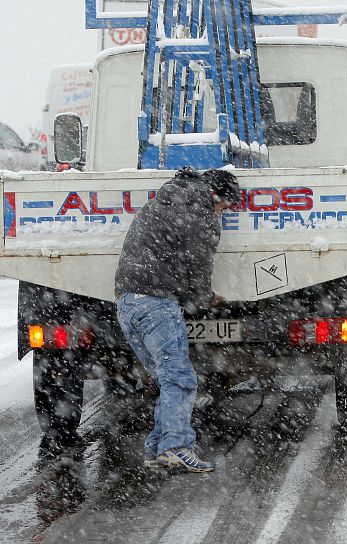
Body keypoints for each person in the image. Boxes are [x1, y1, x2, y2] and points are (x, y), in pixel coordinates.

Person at [115, 167, 240, 471]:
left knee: (165, 377)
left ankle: (157, 449)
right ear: (216, 195)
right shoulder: (201, 211)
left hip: (127, 301)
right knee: (180, 378)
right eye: (225, 206)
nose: (223, 212)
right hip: (157, 301)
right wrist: (204, 299)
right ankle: (176, 447)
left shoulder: (164, 200)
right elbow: (199, 262)